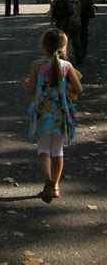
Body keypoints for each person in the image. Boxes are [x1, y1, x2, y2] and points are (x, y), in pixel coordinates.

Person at [25, 28, 83, 203]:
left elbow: (31, 90)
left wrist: (28, 83)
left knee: (43, 149)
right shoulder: (67, 66)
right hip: (60, 114)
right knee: (58, 150)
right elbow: (79, 90)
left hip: (43, 112)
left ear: (43, 47)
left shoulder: (37, 65)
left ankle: (47, 180)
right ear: (64, 47)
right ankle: (56, 185)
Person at [52, 0, 82, 64]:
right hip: (74, 7)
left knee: (61, 33)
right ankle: (79, 56)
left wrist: (52, 9)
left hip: (62, 8)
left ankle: (61, 56)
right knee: (75, 33)